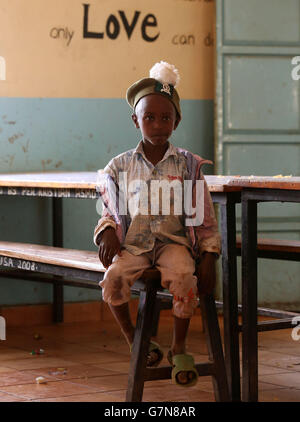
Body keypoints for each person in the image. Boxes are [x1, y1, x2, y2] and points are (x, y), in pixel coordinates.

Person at [94, 61, 221, 387]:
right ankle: (136, 340)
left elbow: (203, 217)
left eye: (166, 117)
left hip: (173, 244)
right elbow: (110, 207)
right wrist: (107, 230)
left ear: (176, 120)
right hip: (134, 245)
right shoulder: (119, 167)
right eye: (149, 117)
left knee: (183, 276)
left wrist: (209, 255)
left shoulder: (188, 166)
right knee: (113, 279)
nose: (157, 124)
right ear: (136, 120)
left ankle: (179, 346)